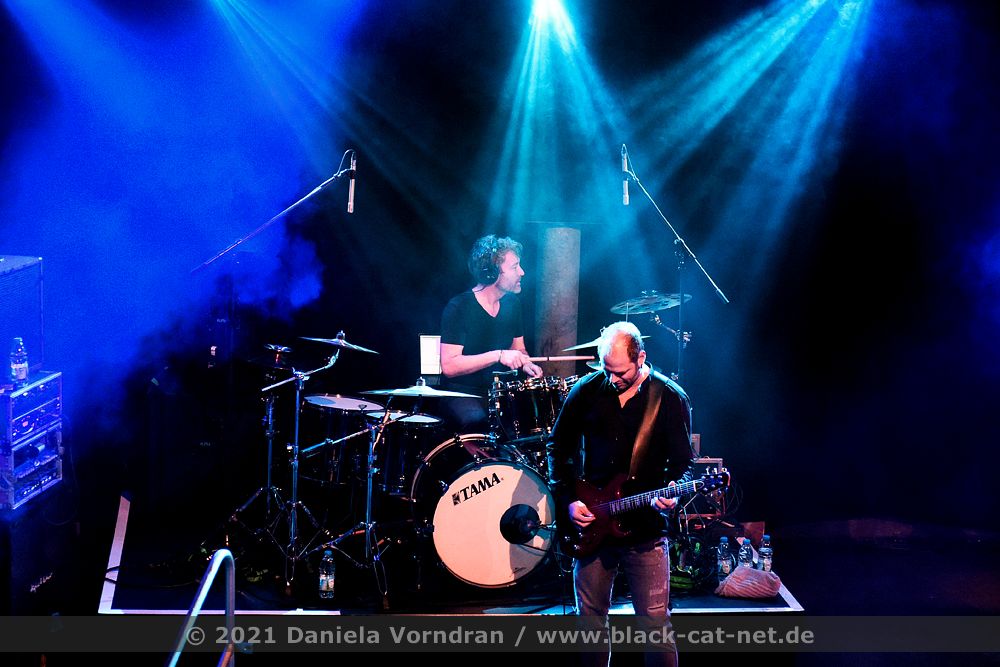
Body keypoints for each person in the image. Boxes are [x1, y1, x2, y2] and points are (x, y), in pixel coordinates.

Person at [546, 321, 694, 667]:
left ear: (641, 357)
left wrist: (673, 492)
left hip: (645, 528)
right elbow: (557, 447)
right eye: (606, 370)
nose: (612, 379)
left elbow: (684, 464)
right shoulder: (586, 390)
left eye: (620, 372)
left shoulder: (669, 397)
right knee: (590, 623)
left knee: (655, 626)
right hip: (592, 524)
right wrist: (569, 500)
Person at [438, 234, 543, 432]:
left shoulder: (512, 304)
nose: (522, 272)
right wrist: (498, 355)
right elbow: (450, 366)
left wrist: (526, 363)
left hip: (500, 394)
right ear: (492, 273)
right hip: (463, 395)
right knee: (478, 424)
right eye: (515, 267)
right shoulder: (459, 307)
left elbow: (519, 348)